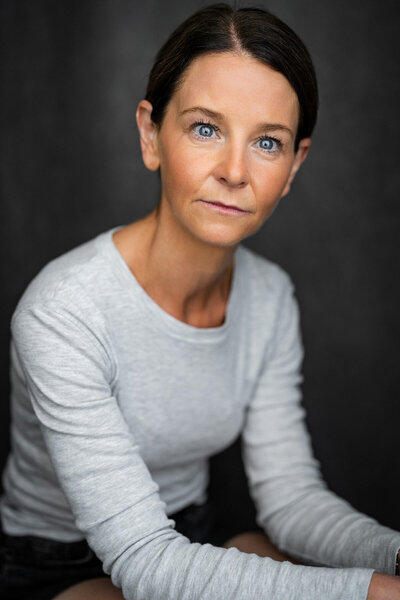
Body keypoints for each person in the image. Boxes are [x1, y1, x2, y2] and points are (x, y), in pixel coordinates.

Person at [0, 4, 399, 600]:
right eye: (206, 129)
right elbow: (143, 560)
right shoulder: (63, 311)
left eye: (268, 142)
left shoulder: (270, 297)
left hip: (191, 535)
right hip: (61, 561)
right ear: (151, 134)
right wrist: (376, 592)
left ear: (294, 166)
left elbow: (291, 498)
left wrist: (394, 557)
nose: (234, 171)